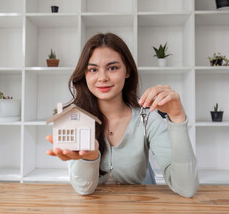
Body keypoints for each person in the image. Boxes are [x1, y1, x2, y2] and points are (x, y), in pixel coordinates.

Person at [46, 33, 198, 198]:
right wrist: (90, 158)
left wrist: (177, 117)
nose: (102, 78)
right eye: (93, 69)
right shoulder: (76, 120)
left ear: (127, 71)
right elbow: (84, 188)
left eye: (112, 68)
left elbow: (186, 188)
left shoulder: (147, 118)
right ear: (85, 75)